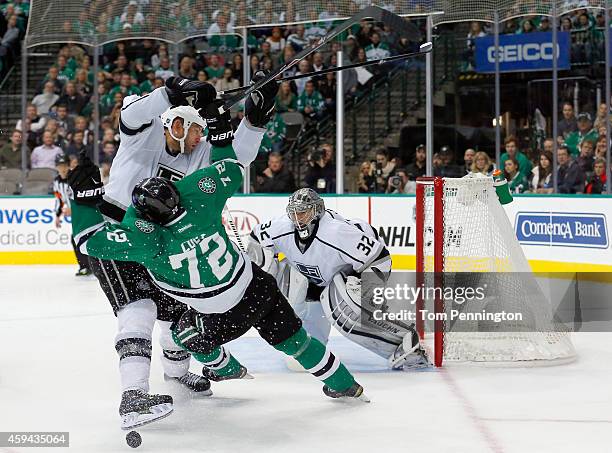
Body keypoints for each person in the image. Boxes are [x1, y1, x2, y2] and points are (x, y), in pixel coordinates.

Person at [68, 111, 368, 424]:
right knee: (297, 342)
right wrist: (222, 133)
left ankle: (225, 368)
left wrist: (83, 200)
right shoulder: (201, 202)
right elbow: (233, 167)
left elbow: (90, 241)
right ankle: (347, 386)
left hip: (221, 314)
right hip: (258, 289)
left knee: (182, 335)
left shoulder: (148, 241)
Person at [65, 72, 277, 429]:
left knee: (178, 309)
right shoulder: (144, 134)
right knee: (139, 310)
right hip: (117, 236)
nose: (199, 139)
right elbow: (131, 115)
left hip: (161, 243)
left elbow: (236, 160)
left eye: (201, 133)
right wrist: (172, 90)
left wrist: (255, 121)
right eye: (195, 131)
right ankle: (133, 396)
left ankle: (177, 375)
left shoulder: (200, 148)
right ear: (175, 123)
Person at [248, 188, 429, 371]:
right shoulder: (281, 227)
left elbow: (379, 257)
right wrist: (260, 262)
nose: (298, 218)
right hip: (312, 279)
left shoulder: (336, 233)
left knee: (345, 313)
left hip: (347, 275)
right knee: (304, 356)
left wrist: (367, 291)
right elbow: (257, 236)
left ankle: (405, 343)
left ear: (317, 211)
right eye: (294, 213)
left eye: (303, 212)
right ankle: (313, 334)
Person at [53, 154, 91, 276]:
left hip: (84, 211)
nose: (62, 169)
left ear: (68, 166)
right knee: (77, 239)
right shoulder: (57, 181)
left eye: (64, 165)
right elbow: (59, 199)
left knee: (81, 238)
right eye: (60, 166)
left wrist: (73, 209)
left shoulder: (75, 178)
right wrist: (57, 215)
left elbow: (83, 196)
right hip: (76, 214)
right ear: (56, 167)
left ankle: (88, 266)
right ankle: (85, 266)